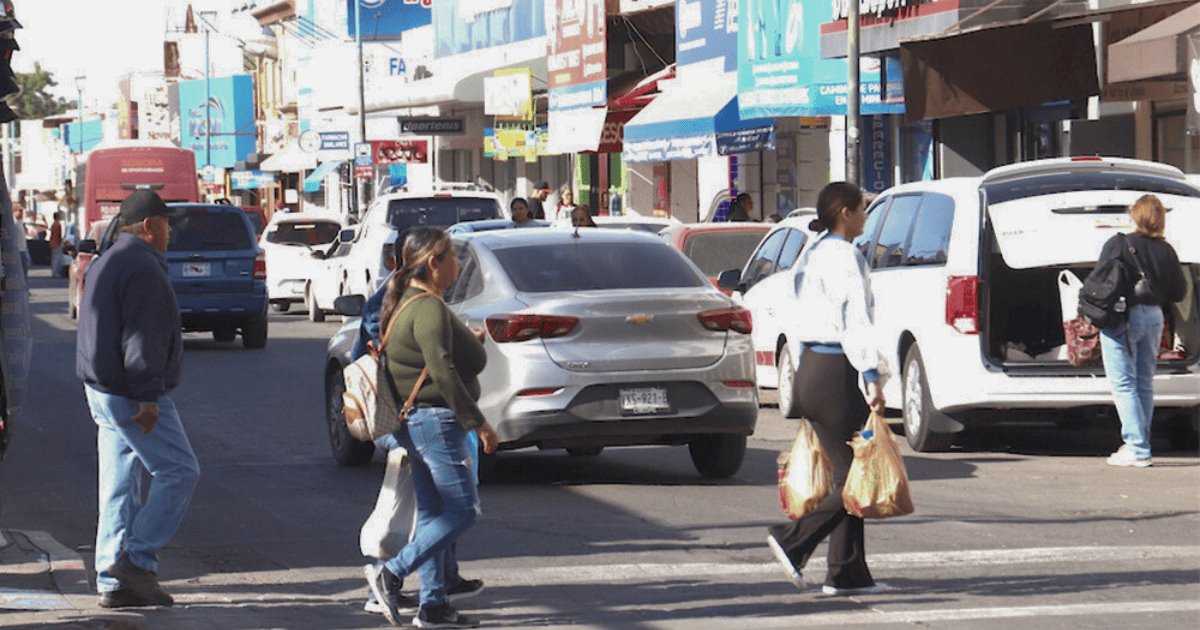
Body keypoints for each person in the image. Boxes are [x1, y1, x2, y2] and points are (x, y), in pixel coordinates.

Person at [364, 226, 500, 628]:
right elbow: (442, 370)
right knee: (463, 511)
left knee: (433, 513)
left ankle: (433, 604)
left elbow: (431, 356)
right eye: (452, 257)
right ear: (432, 263)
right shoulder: (425, 307)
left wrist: (468, 342)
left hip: (421, 421)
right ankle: (391, 572)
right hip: (436, 422)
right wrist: (479, 423)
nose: (458, 264)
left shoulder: (412, 301)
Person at [76, 190, 200, 609]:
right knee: (180, 470)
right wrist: (147, 397)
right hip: (130, 393)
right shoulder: (142, 267)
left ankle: (113, 582)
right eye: (166, 224)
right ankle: (138, 562)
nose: (170, 232)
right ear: (149, 226)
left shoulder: (107, 260)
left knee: (118, 486)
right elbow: (141, 339)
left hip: (103, 390)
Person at [766, 181, 887, 597]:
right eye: (862, 209)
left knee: (844, 473)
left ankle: (848, 571)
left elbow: (797, 317)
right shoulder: (844, 256)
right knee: (855, 477)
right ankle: (793, 540)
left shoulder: (811, 253)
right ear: (846, 214)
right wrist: (871, 375)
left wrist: (801, 372)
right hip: (836, 370)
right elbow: (855, 319)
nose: (866, 216)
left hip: (811, 369)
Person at [1097, 194, 1185, 468]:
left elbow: (1100, 281)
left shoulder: (1119, 243)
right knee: (1144, 382)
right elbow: (1179, 291)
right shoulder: (1167, 250)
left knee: (1123, 383)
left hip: (1124, 317)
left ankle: (1136, 447)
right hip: (1155, 316)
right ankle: (1139, 443)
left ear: (1134, 215)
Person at [49, 211, 65, 277]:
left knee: (54, 258)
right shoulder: (58, 224)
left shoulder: (53, 224)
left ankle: (54, 271)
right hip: (56, 243)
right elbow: (58, 235)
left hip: (53, 242)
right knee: (57, 258)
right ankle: (56, 272)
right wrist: (60, 242)